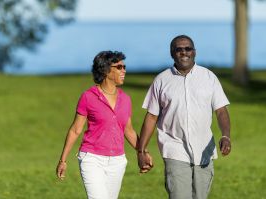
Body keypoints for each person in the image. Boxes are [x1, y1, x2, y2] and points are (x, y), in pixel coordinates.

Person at [137, 35, 231, 199]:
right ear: (172, 53)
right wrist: (141, 151)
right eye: (178, 49)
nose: (184, 52)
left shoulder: (209, 77)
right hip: (175, 150)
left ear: (194, 52)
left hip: (204, 151)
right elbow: (151, 117)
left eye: (188, 48)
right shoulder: (161, 80)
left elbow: (221, 110)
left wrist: (226, 136)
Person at [56, 50, 152, 199]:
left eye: (124, 66)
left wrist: (143, 152)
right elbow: (75, 130)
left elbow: (129, 131)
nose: (124, 70)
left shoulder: (125, 99)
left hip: (117, 161)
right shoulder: (88, 97)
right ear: (106, 70)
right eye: (119, 67)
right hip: (92, 158)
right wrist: (63, 160)